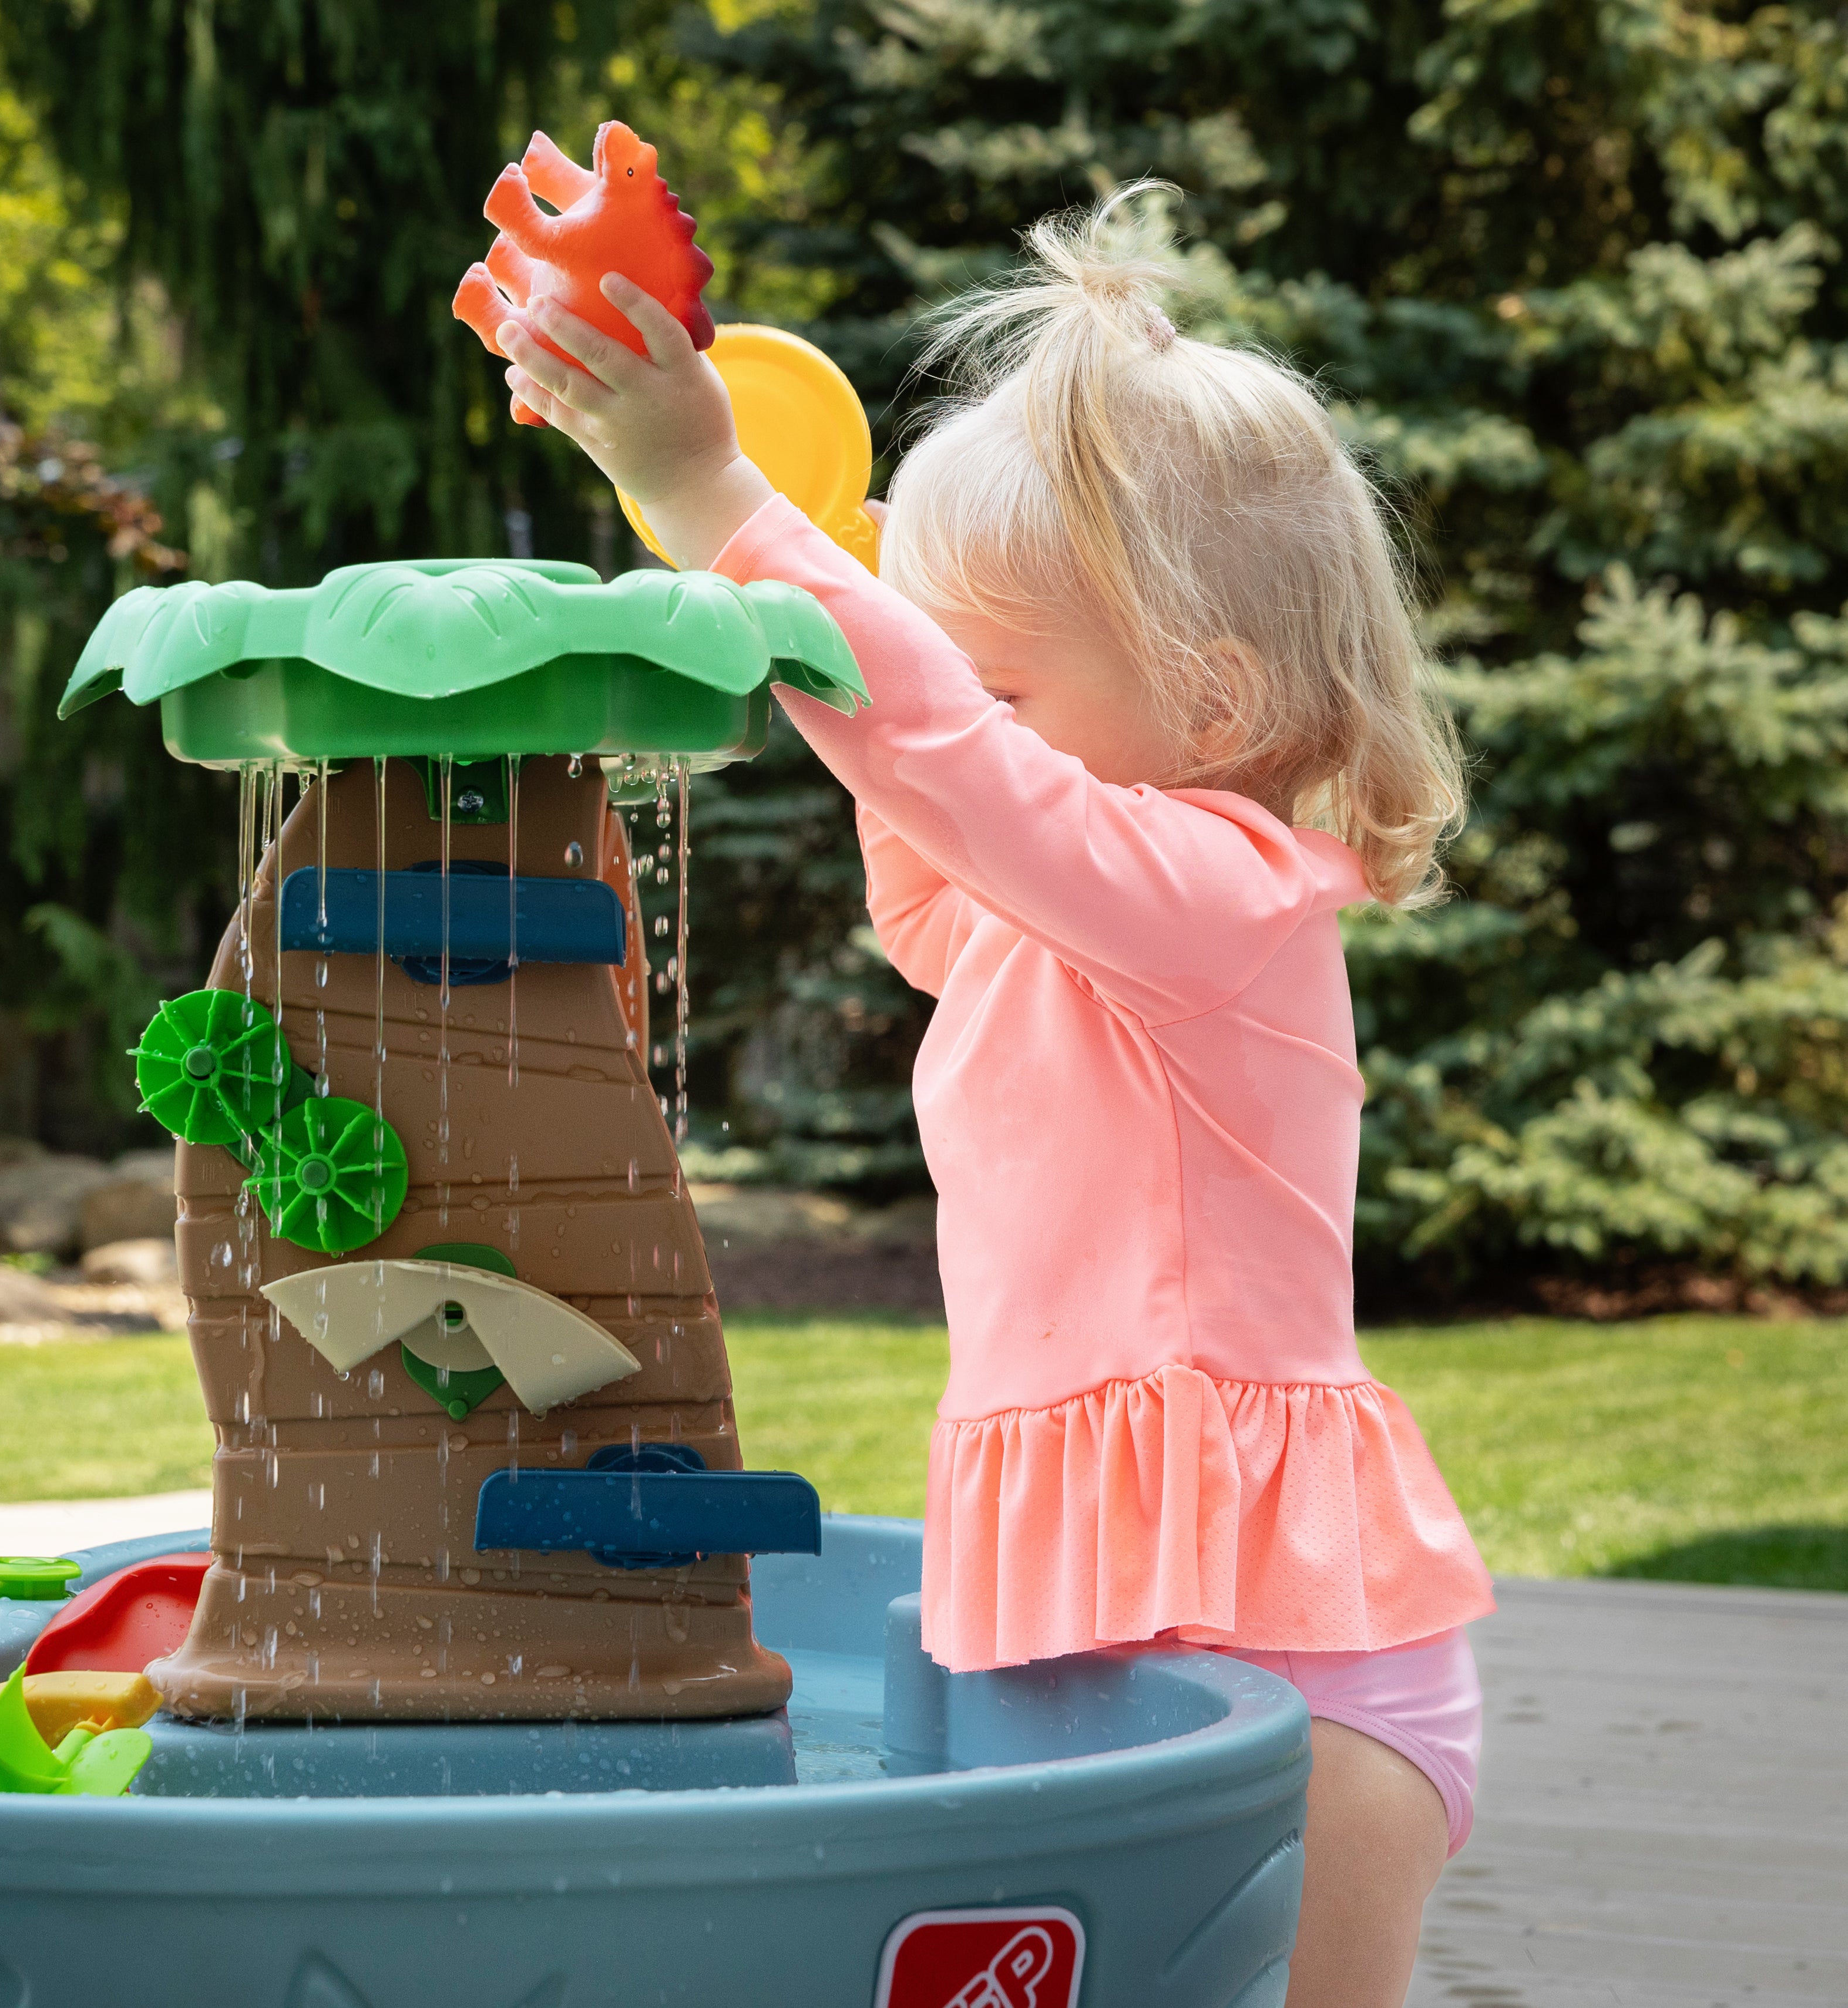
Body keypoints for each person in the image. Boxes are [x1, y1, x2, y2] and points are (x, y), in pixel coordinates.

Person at [493, 184, 1497, 2008]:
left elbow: (960, 776)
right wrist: (813, 571)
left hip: (1306, 1693)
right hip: (1094, 1617)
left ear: (1209, 706)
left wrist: (728, 508)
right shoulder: (1051, 916)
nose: (962, 704)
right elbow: (934, 843)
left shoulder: (1220, 902)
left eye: (1005, 676)